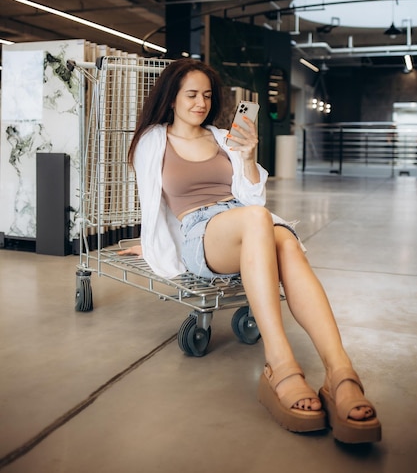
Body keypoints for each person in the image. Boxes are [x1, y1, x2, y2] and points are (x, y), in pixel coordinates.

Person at [121, 58, 381, 444]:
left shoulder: (225, 137)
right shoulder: (154, 140)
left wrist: (246, 158)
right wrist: (153, 244)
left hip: (243, 219)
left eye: (207, 95)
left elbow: (252, 197)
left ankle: (339, 372)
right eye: (191, 95)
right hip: (200, 232)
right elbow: (151, 204)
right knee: (261, 220)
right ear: (171, 98)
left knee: (285, 241)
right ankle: (280, 362)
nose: (200, 103)